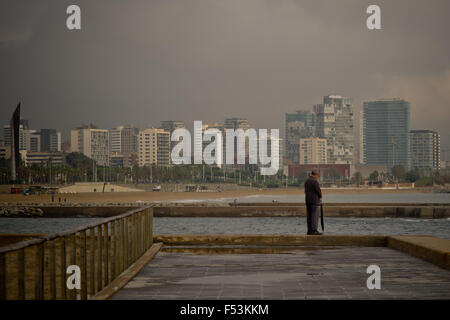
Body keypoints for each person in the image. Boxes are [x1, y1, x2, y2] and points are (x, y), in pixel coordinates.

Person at [304, 170, 323, 235]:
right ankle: (314, 230)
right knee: (314, 216)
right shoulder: (315, 181)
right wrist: (320, 196)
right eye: (317, 175)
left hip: (308, 201)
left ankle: (309, 230)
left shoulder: (306, 181)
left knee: (309, 216)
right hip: (314, 201)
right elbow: (318, 190)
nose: (317, 177)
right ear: (315, 175)